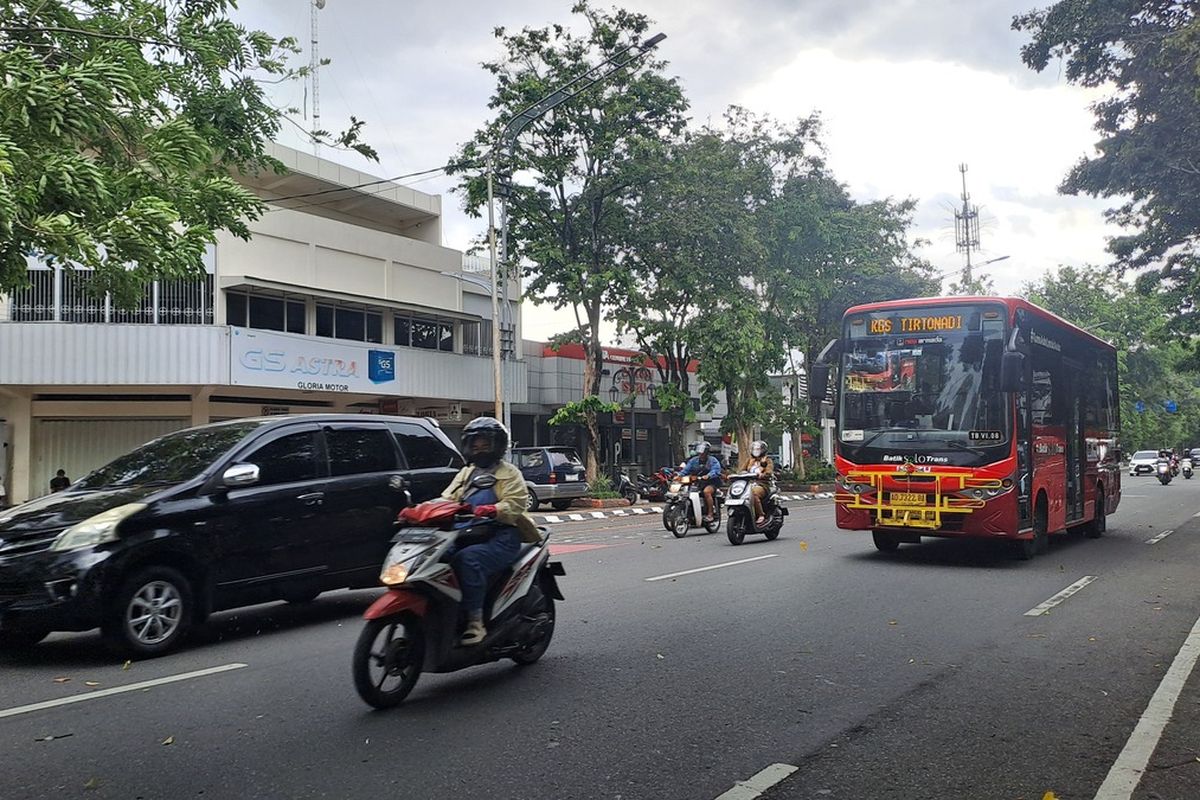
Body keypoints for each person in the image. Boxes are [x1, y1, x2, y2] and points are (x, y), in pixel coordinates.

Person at [432, 417, 539, 646]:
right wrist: (423, 511)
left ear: (497, 446)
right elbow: (447, 498)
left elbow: (516, 503)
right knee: (436, 559)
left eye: (485, 446)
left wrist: (494, 509)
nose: (479, 450)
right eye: (475, 446)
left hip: (502, 536)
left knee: (468, 560)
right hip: (464, 534)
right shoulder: (466, 473)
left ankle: (475, 622)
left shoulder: (509, 473)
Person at [682, 441, 723, 523]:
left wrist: (709, 475)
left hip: (711, 483)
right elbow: (686, 470)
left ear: (707, 452)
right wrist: (679, 475)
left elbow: (716, 470)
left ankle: (710, 514)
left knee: (706, 492)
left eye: (703, 452)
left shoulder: (712, 460)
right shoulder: (693, 460)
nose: (701, 454)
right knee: (685, 493)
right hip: (698, 483)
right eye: (700, 452)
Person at [741, 440, 775, 527]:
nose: (756, 451)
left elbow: (769, 471)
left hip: (762, 484)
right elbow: (742, 470)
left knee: (753, 494)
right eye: (754, 449)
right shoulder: (749, 460)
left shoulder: (767, 460)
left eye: (758, 449)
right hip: (748, 484)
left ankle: (761, 515)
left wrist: (763, 475)